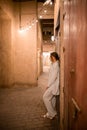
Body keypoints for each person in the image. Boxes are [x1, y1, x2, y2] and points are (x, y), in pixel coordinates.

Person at [43, 52, 60, 119]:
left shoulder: (56, 65)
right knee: (52, 99)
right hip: (52, 84)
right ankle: (50, 113)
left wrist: (48, 85)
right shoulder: (53, 64)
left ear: (53, 57)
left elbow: (54, 77)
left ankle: (52, 113)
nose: (50, 58)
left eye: (50, 57)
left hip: (53, 84)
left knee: (45, 97)